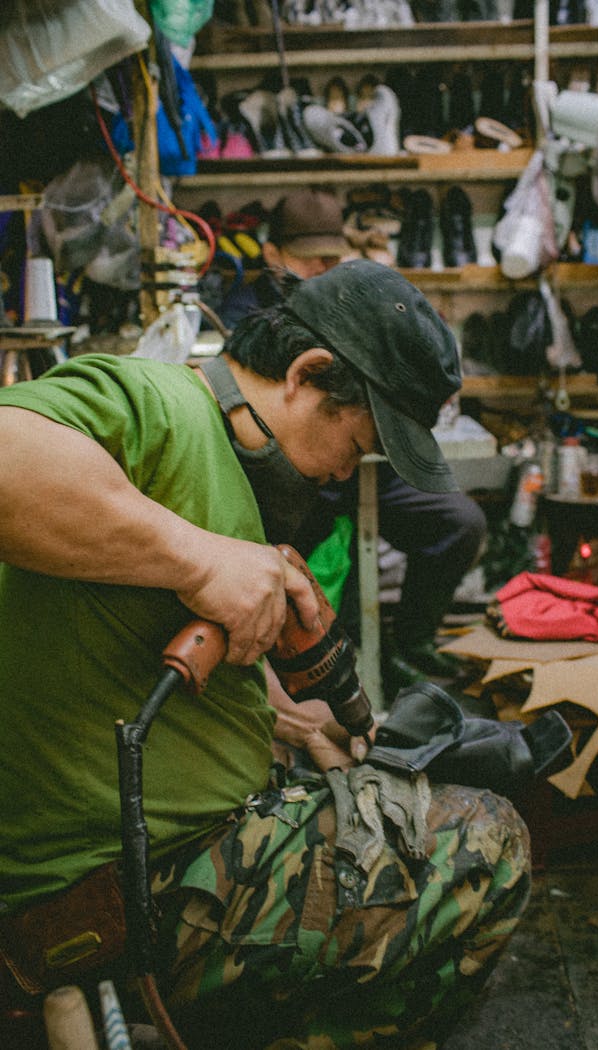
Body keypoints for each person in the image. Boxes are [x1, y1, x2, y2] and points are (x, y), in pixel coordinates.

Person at [0, 259, 529, 1050]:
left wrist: (281, 723)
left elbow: (113, 642)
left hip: (174, 855)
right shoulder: (163, 404)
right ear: (308, 372)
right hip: (119, 891)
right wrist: (198, 560)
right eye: (357, 441)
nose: (349, 471)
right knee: (489, 845)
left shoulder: (234, 466)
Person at [220, 188, 488, 695]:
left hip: (350, 453)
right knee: (298, 563)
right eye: (309, 256)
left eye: (331, 256)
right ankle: (305, 669)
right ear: (272, 253)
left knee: (460, 522)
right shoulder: (243, 312)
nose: (322, 266)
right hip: (297, 465)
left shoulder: (352, 299)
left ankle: (408, 644)